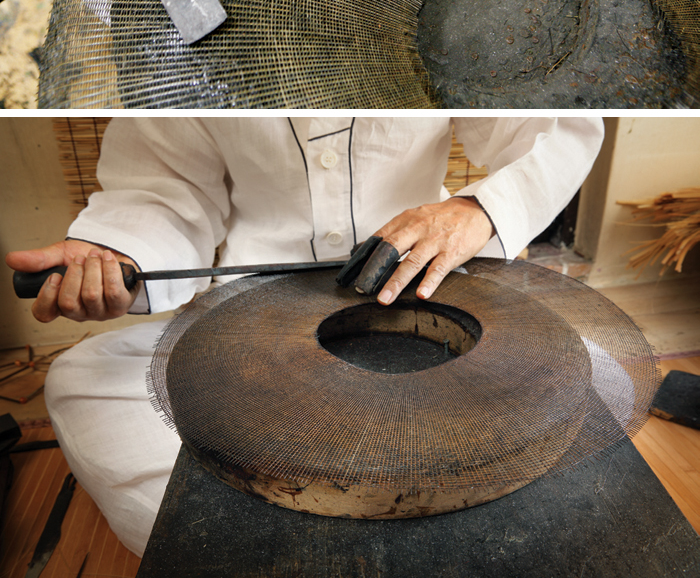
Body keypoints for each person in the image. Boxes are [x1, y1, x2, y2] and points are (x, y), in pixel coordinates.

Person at [6, 115, 604, 555]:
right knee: (82, 380)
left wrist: (477, 209)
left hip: (415, 281)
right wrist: (116, 250)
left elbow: (555, 128)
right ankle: (264, 554)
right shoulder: (185, 35)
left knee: (588, 371)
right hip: (249, 309)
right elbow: (164, 190)